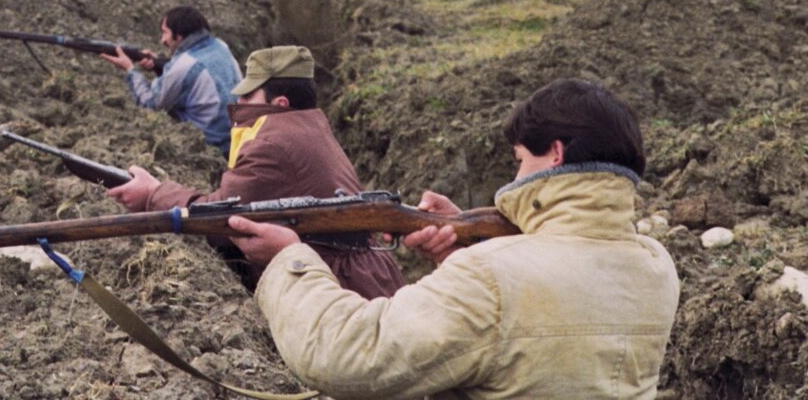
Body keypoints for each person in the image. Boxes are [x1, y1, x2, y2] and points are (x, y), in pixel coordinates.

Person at [228, 78, 680, 399]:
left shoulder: (491, 276)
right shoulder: (656, 266)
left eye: (520, 160)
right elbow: (543, 324)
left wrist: (290, 259)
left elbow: (349, 356)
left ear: (555, 154)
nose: (516, 174)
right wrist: (469, 248)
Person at [107, 45, 405, 301]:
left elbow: (219, 215)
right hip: (364, 280)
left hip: (345, 289)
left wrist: (153, 194)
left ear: (280, 103)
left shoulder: (272, 143)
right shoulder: (308, 125)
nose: (238, 104)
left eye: (248, 96)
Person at [101, 5, 240, 155]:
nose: (162, 40)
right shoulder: (220, 46)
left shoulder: (183, 66)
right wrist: (160, 66)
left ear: (179, 36)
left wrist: (130, 69)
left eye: (165, 33)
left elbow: (150, 103)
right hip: (238, 139)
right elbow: (191, 75)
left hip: (212, 148)